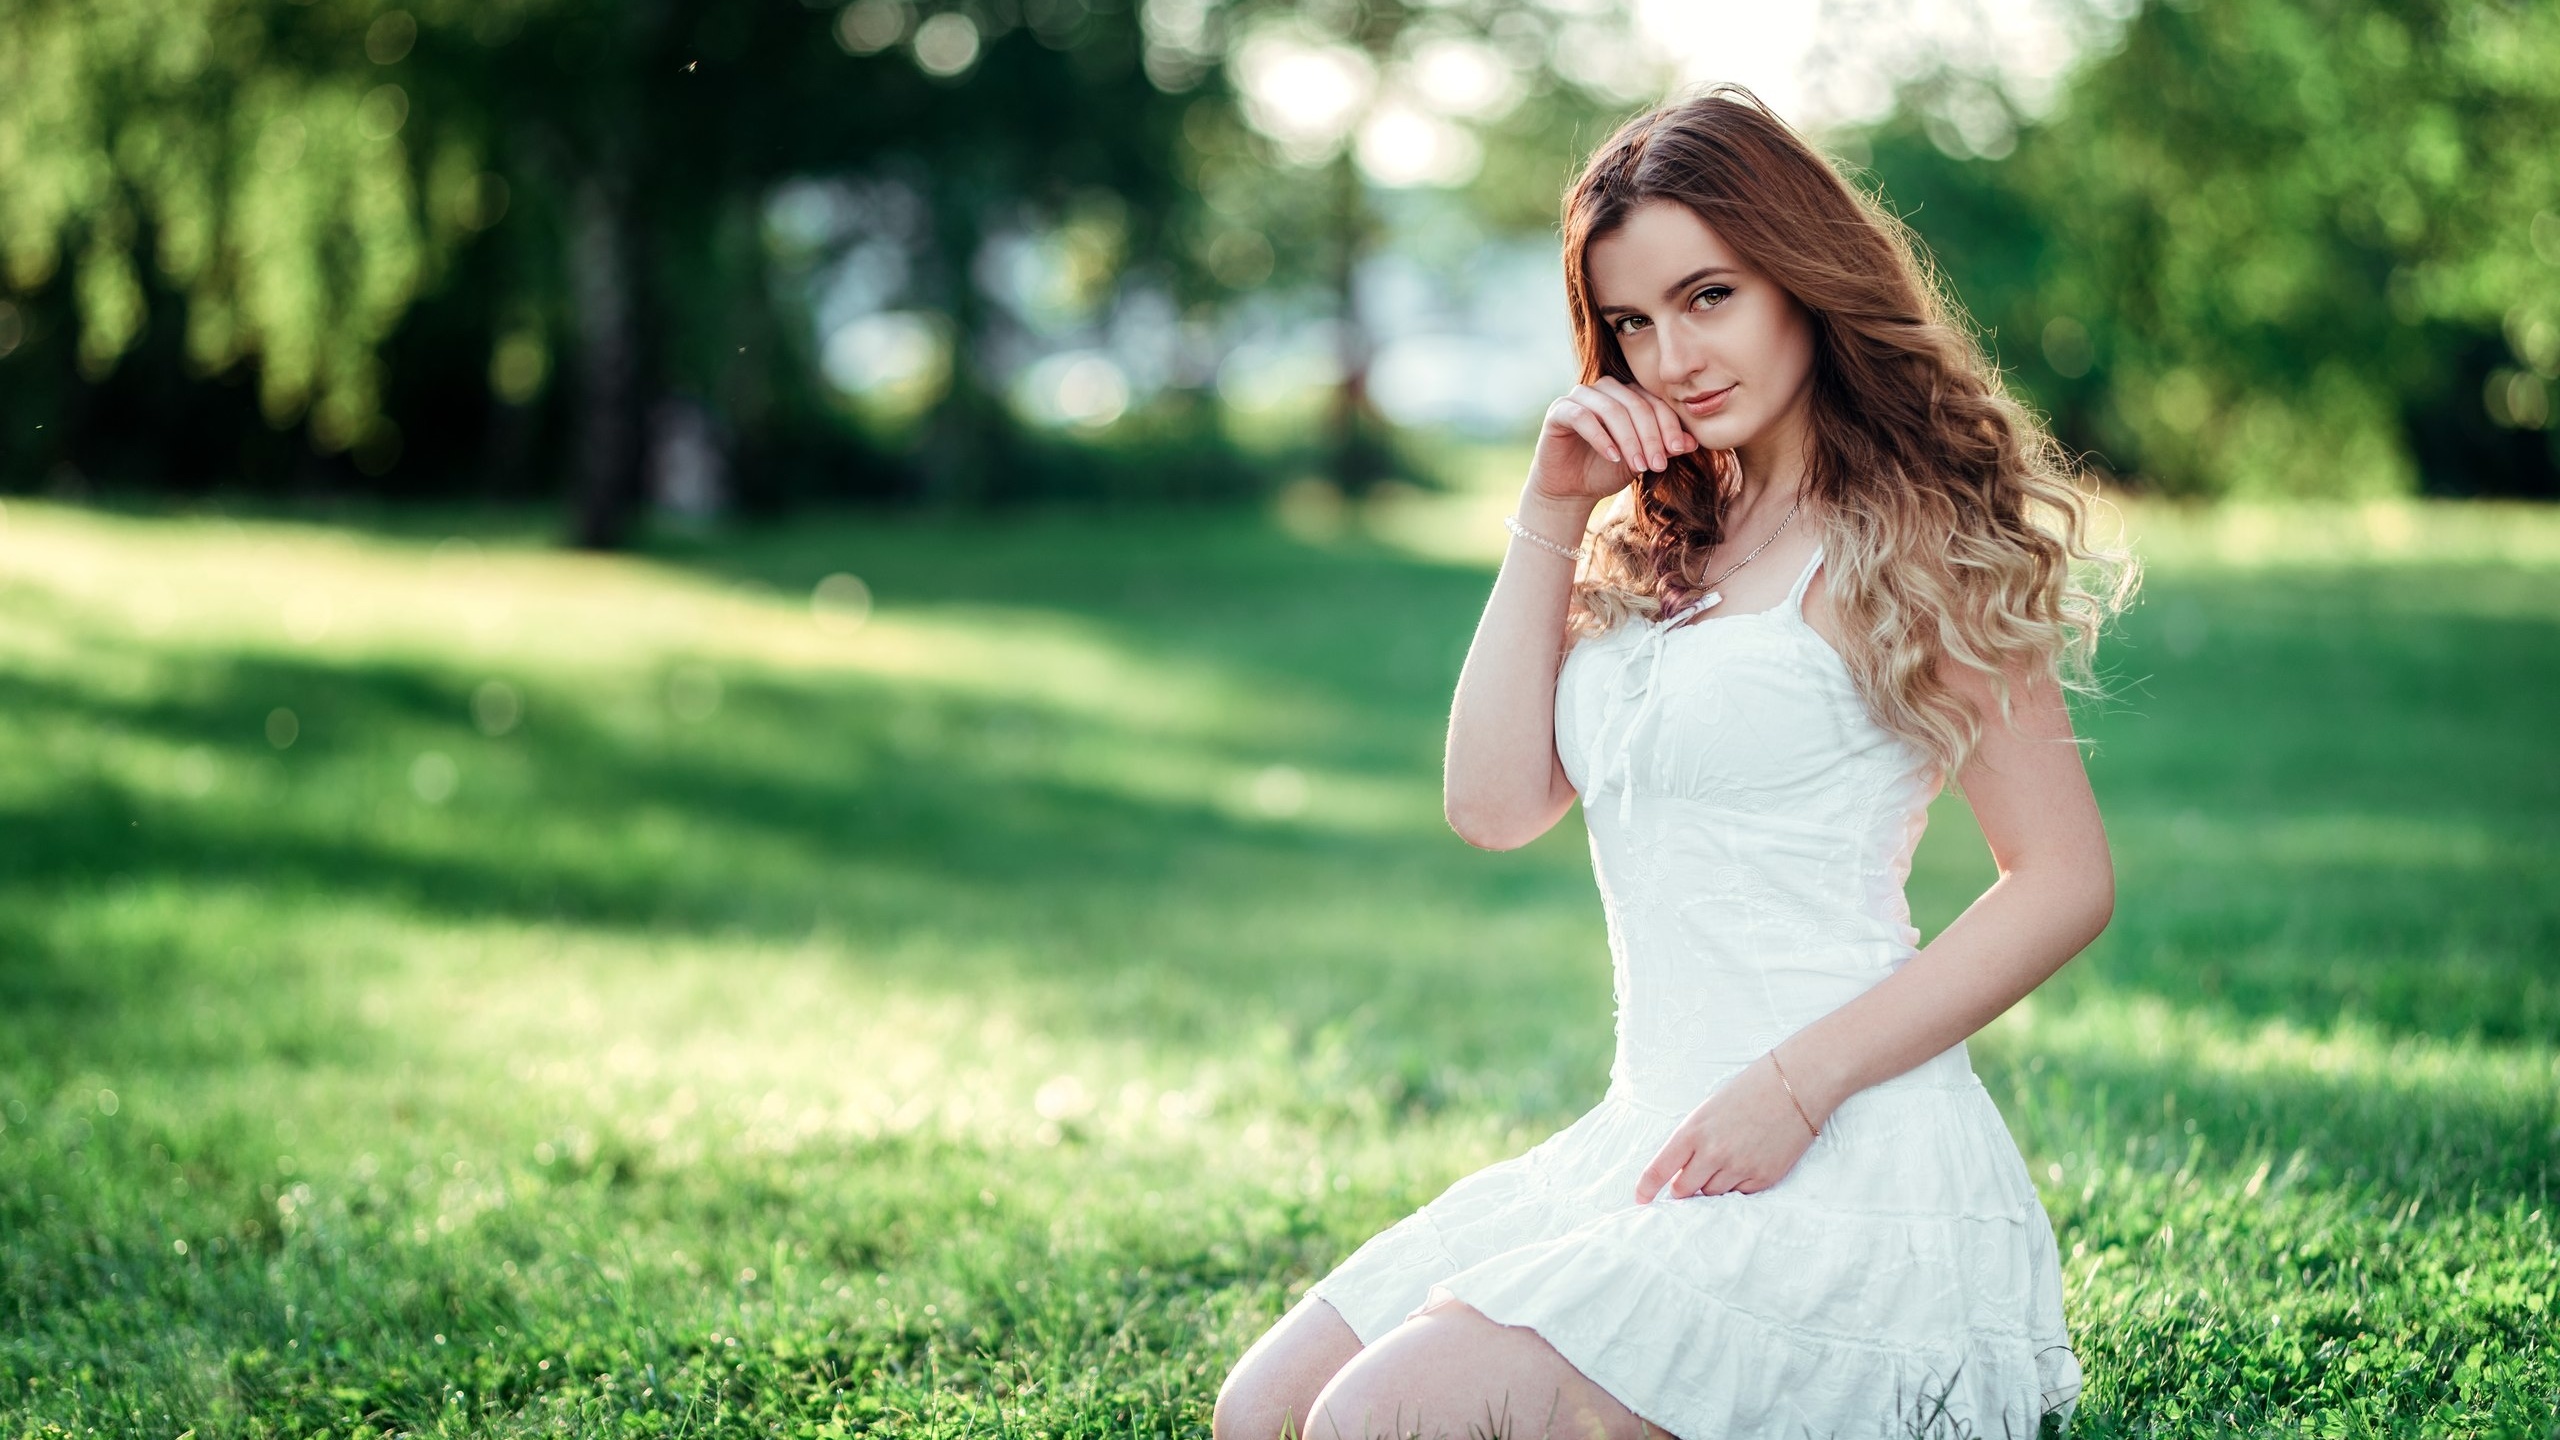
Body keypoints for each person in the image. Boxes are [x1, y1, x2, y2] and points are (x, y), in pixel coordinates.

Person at [1211, 85, 2136, 1440]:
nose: (1673, 355)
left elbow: (2062, 881)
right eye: (1632, 322)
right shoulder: (1657, 542)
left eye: (1710, 296)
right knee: (1262, 1409)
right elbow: (1489, 804)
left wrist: (1793, 1087)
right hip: (1647, 1142)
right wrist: (1548, 508)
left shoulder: (1912, 537)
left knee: (1372, 1422)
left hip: (1843, 1160)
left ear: (1803, 282)